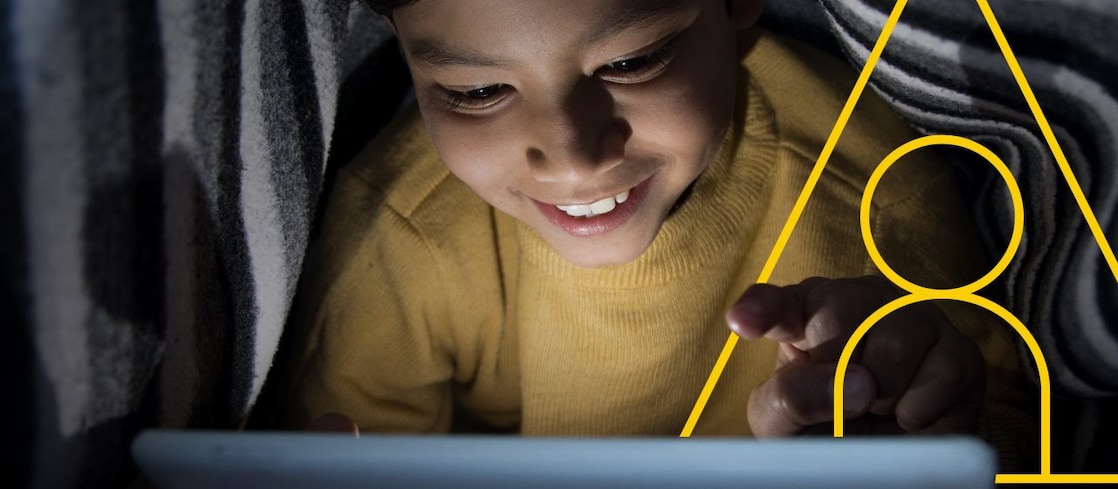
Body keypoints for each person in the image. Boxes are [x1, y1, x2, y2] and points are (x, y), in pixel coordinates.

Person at [276, 0, 1036, 468]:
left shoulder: (875, 197)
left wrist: (926, 447)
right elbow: (326, 450)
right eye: (476, 91)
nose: (572, 156)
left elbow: (1016, 431)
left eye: (633, 59)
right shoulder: (404, 230)